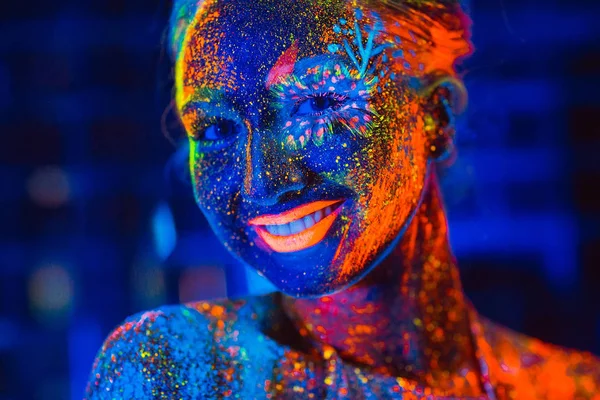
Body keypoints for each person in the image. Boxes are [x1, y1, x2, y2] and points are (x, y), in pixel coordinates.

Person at [85, 0, 600, 398]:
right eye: (217, 128)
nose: (264, 183)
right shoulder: (182, 368)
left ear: (433, 118)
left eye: (316, 104)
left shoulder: (572, 387)